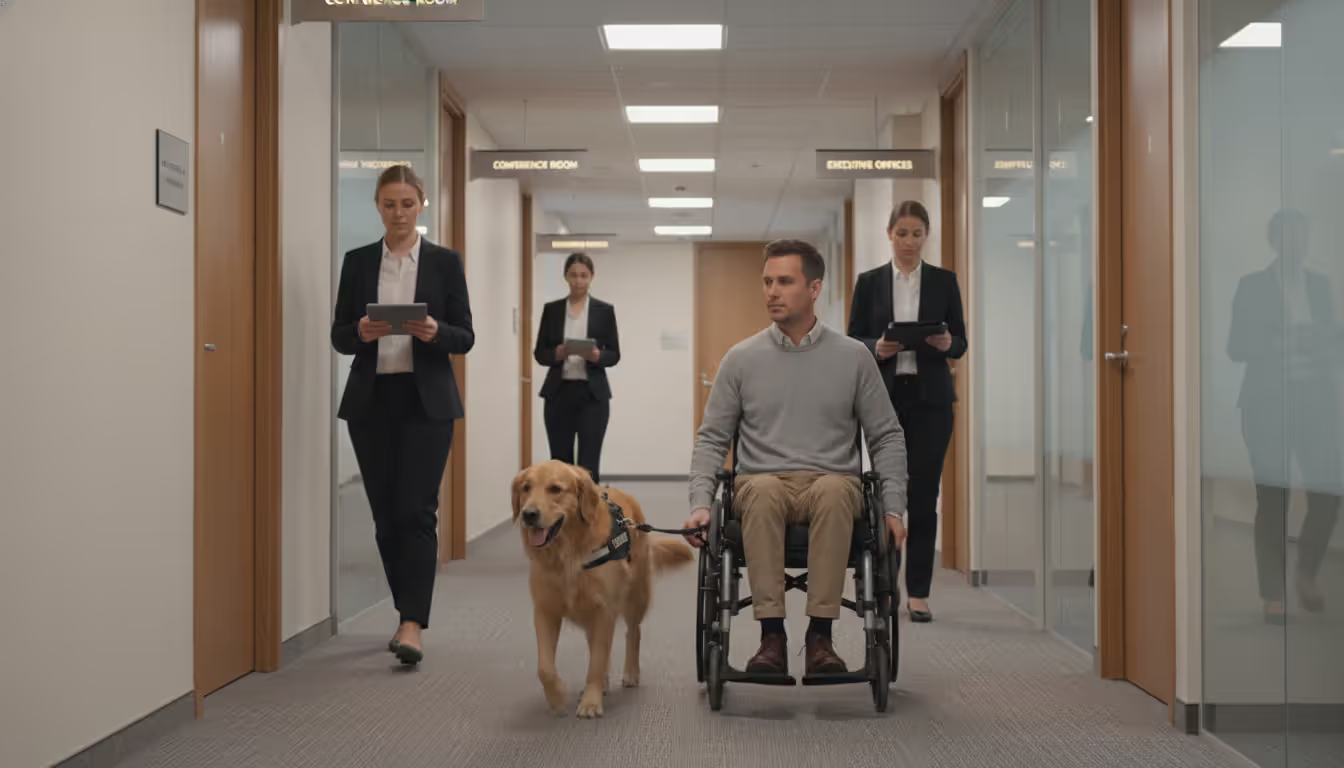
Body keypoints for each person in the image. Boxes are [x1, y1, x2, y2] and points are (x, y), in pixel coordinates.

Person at [683, 239, 909, 676]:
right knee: (763, 489)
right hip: (761, 483)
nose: (772, 291)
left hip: (832, 483)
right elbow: (712, 439)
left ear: (814, 287)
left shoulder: (853, 358)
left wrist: (894, 506)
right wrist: (698, 504)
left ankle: (820, 636)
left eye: (784, 281)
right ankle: (772, 637)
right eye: (767, 281)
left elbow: (886, 437)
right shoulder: (741, 360)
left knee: (834, 489)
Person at [331, 165, 474, 665]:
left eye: (407, 204)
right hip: (371, 402)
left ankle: (412, 623)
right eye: (389, 204)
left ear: (422, 204)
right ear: (378, 206)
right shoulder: (357, 261)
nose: (398, 213)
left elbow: (466, 336)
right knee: (385, 516)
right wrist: (361, 334)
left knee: (417, 509)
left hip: (426, 401)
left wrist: (435, 331)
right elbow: (340, 334)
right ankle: (403, 608)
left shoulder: (444, 263)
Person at [847, 200, 967, 623]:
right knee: (886, 493)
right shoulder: (870, 282)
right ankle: (886, 586)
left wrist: (945, 344)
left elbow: (960, 342)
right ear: (890, 235)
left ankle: (918, 591)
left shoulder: (943, 282)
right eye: (903, 233)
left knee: (924, 495)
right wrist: (874, 347)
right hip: (886, 398)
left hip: (932, 399)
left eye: (917, 233)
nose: (910, 242)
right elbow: (853, 340)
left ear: (926, 236)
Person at [1228, 208, 1340, 623]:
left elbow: (1334, 344)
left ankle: (1307, 572)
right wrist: (1277, 340)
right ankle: (1273, 594)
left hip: (1315, 407)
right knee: (1273, 499)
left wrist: (1325, 338)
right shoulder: (1252, 286)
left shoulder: (1319, 287)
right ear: (1274, 241)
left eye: (1304, 238)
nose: (1299, 246)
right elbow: (1235, 346)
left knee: (1328, 495)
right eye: (1291, 238)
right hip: (1266, 407)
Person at [534, 253, 621, 484]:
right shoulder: (552, 310)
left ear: (591, 277)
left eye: (583, 275)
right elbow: (540, 353)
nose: (578, 281)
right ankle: (562, 515)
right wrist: (558, 353)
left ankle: (590, 517)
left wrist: (596, 355)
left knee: (588, 463)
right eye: (573, 275)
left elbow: (614, 354)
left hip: (592, 395)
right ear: (566, 277)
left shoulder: (604, 311)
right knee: (560, 462)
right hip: (559, 393)